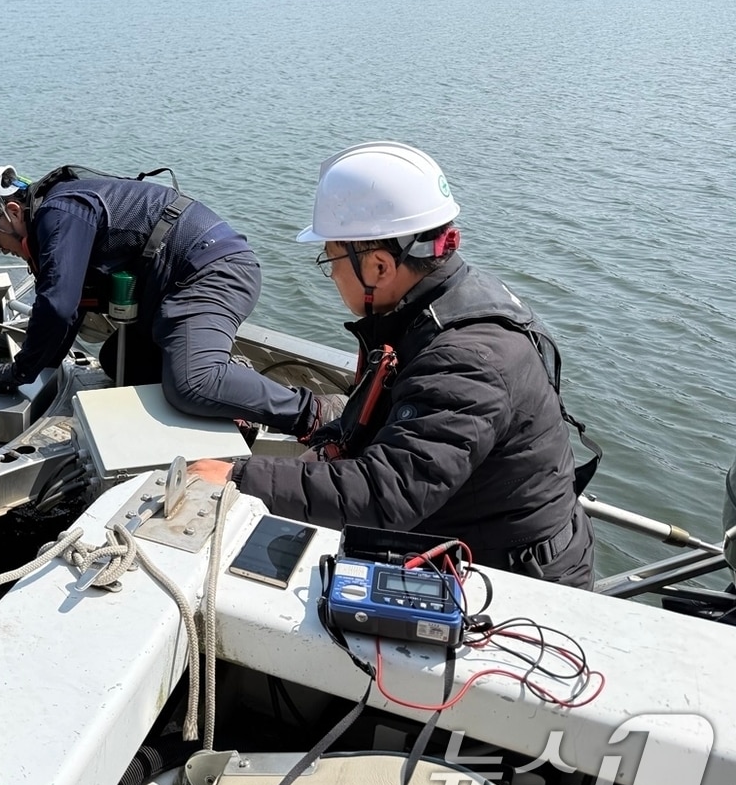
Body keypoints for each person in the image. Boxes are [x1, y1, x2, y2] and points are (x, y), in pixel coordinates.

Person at [188, 142, 595, 588]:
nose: (331, 274)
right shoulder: (437, 306)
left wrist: (238, 477)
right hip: (470, 534)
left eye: (331, 259)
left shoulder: (466, 361)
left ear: (379, 266)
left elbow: (387, 495)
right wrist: (321, 448)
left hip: (513, 580)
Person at [0, 164, 340, 438]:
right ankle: (230, 396)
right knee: (118, 360)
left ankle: (316, 414)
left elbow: (57, 307)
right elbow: (70, 308)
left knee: (190, 384)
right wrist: (42, 369)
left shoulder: (59, 212)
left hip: (213, 271)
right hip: (178, 284)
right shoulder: (60, 209)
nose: (4, 251)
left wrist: (20, 372)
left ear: (12, 212)